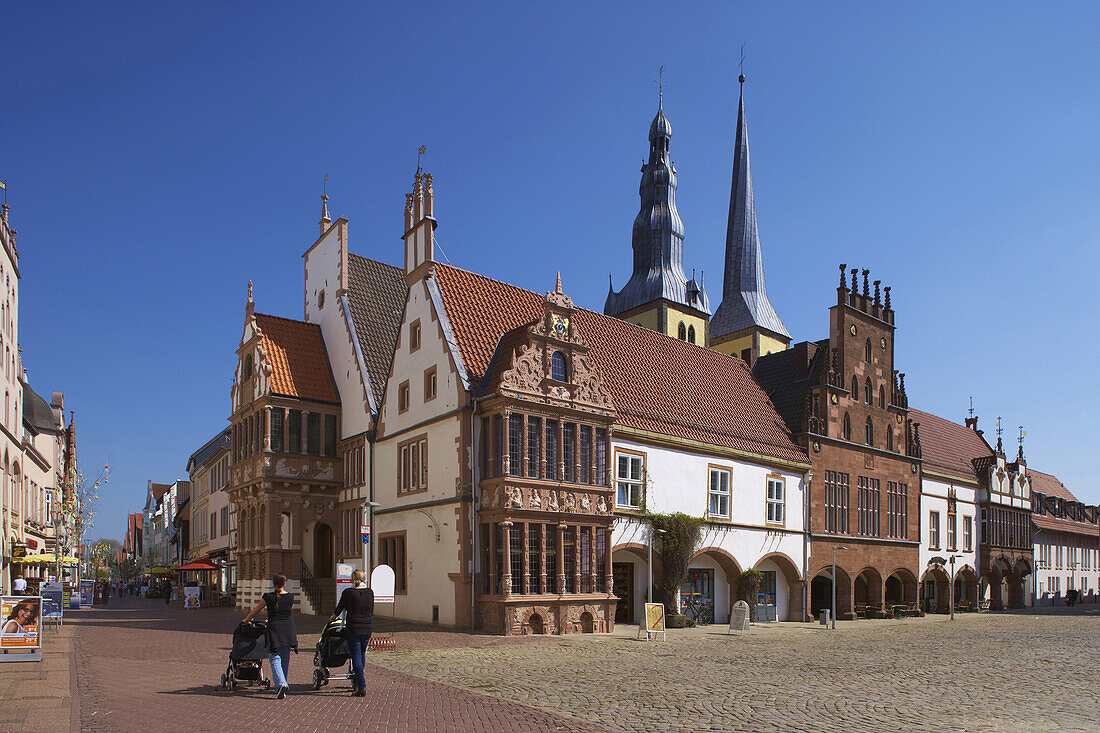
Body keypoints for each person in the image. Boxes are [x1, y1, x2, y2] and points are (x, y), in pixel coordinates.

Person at [242, 573, 297, 699]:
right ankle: (281, 685)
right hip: (288, 628)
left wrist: (246, 620)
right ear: (284, 583)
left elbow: (256, 611)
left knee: (274, 657)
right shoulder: (290, 597)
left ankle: (281, 683)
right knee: (285, 657)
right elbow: (285, 611)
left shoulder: (268, 597)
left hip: (274, 628)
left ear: (273, 584)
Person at [330, 569, 374, 697]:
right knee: (361, 655)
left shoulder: (348, 592)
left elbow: (339, 608)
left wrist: (332, 617)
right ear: (364, 578)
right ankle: (356, 681)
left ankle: (361, 686)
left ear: (352, 578)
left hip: (354, 627)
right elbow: (371, 609)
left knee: (356, 656)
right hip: (367, 627)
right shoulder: (369, 592)